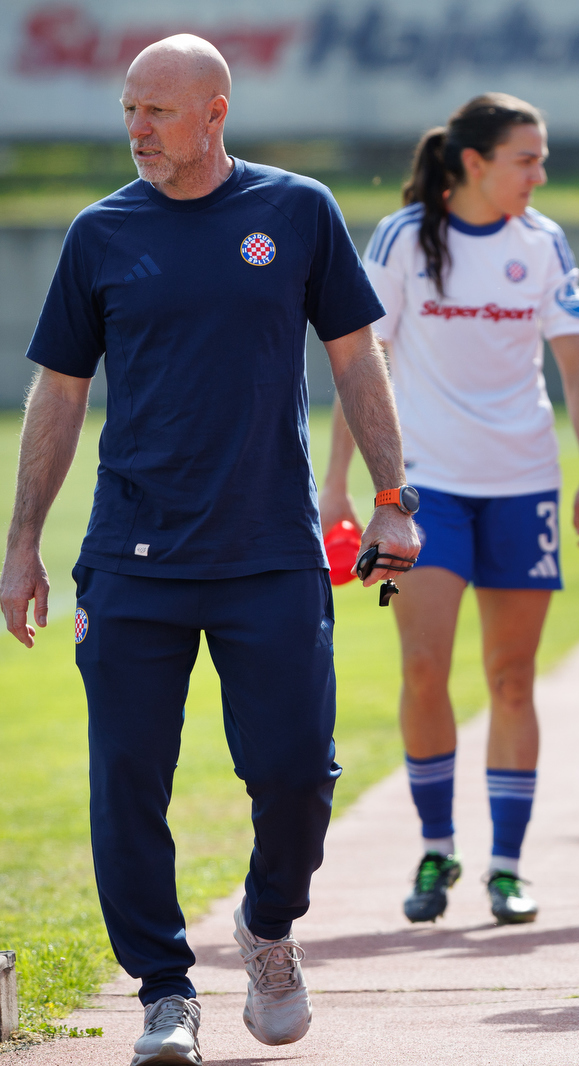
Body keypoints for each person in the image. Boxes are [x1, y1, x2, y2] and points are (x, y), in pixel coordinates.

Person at [0, 34, 418, 1066]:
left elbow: (357, 360)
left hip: (269, 548)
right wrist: (22, 546)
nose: (135, 129)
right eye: (129, 110)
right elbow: (58, 396)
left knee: (295, 772)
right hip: (131, 558)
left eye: (155, 111)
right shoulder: (101, 234)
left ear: (215, 111)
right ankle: (164, 989)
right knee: (127, 775)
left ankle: (269, 927)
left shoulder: (297, 212)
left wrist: (394, 499)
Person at [321, 93, 579, 927]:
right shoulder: (405, 237)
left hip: (522, 484)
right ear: (473, 162)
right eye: (526, 158)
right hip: (427, 490)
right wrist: (341, 482)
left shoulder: (545, 241)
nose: (541, 174)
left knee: (513, 678)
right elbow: (360, 362)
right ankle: (436, 846)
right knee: (424, 669)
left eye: (543, 158)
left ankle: (508, 868)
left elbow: (578, 372)